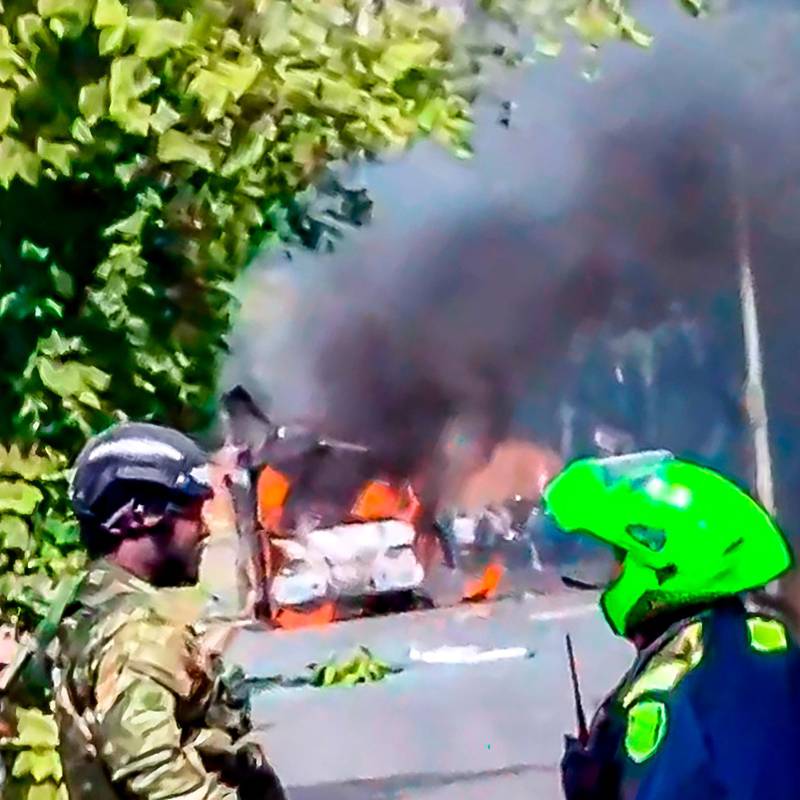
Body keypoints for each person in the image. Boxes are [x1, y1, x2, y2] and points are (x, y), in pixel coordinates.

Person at [537, 450, 800, 800]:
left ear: (663, 564)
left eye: (618, 559)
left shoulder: (664, 693)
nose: (608, 578)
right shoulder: (769, 641)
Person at [54, 421, 287, 800]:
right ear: (141, 517)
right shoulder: (137, 630)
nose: (206, 529)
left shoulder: (87, 605)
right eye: (192, 513)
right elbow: (152, 770)